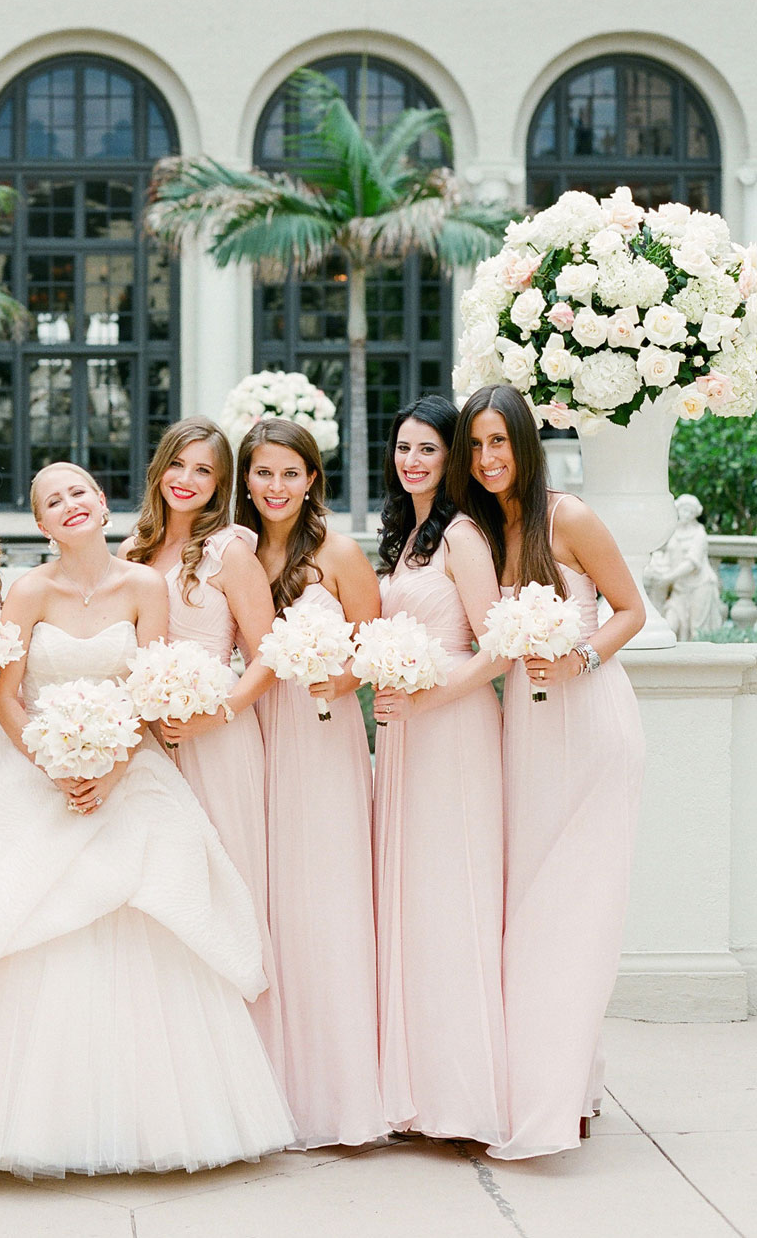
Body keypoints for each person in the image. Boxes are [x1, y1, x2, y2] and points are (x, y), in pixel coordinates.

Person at [0, 462, 295, 1177]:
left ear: (102, 504)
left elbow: (148, 687)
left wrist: (110, 767)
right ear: (41, 524)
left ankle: (142, 1121)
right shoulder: (28, 590)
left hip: (126, 770)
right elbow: (5, 695)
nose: (69, 505)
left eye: (79, 492)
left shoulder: (144, 587)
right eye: (52, 500)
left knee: (149, 907)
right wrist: (52, 762)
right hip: (29, 769)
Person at [448, 383, 646, 1160]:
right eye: (474, 446)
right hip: (523, 735)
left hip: (592, 725)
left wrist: (579, 657)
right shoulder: (479, 530)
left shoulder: (569, 517)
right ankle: (567, 1082)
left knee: (574, 915)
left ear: (524, 445)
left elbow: (629, 608)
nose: (487, 459)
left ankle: (558, 1096)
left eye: (499, 442)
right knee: (529, 914)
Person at [237, 418, 385, 1147]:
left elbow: (375, 646)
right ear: (245, 479)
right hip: (247, 736)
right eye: (263, 473)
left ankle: (336, 1096)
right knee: (261, 900)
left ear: (311, 480)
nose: (275, 487)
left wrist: (340, 675)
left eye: (289, 474)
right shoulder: (232, 553)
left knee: (321, 901)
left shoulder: (338, 552)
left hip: (319, 739)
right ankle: (263, 1085)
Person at [120, 417, 283, 1068]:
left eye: (204, 471)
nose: (187, 480)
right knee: (160, 893)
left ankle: (248, 1063)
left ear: (219, 487)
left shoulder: (228, 552)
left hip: (218, 740)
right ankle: (175, 1063)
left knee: (226, 888)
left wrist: (213, 714)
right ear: (160, 469)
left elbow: (270, 654)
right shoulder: (133, 548)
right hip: (150, 748)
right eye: (178, 465)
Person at [367, 396, 508, 1145]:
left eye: (426, 449)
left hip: (450, 729)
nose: (412, 461)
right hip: (402, 735)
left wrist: (427, 696)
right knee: (412, 900)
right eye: (402, 448)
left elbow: (496, 648)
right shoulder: (407, 536)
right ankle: (416, 1092)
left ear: (450, 458)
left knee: (451, 895)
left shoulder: (462, 535)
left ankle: (463, 1097)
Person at [643, 494, 725, 641]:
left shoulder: (699, 534)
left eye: (690, 512)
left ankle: (698, 662)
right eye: (684, 510)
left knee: (697, 630)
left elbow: (692, 564)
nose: (686, 514)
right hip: (679, 589)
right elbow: (666, 555)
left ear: (695, 515)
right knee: (671, 624)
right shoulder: (674, 532)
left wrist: (668, 578)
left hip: (699, 586)